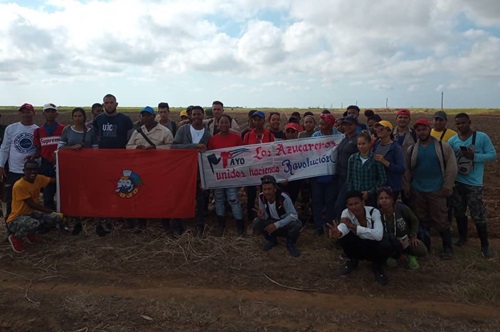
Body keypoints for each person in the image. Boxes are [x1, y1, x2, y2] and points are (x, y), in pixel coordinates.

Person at [403, 118, 457, 259]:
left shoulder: (442, 147)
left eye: (424, 129)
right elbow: (407, 169)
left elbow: (451, 168)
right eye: (418, 130)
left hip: (437, 190)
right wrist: (407, 185)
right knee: (421, 219)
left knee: (441, 220)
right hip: (418, 190)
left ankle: (447, 248)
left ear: (429, 129)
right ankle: (425, 246)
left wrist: (447, 186)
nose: (421, 132)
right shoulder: (412, 149)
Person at [448, 113, 496, 258]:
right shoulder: (453, 140)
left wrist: (474, 157)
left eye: (463, 123)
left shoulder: (482, 137)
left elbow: (492, 155)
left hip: (474, 184)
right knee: (459, 212)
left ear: (469, 122)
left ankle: (485, 245)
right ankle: (463, 238)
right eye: (458, 124)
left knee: (478, 215)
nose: (461, 126)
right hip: (457, 182)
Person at [126, 106, 174, 234]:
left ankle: (165, 223)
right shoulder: (137, 132)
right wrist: (137, 147)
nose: (145, 118)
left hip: (159, 170)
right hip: (140, 169)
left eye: (148, 115)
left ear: (154, 116)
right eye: (143, 115)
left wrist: (155, 149)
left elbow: (171, 147)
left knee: (162, 195)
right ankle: (142, 224)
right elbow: (128, 146)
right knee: (141, 195)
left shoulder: (164, 132)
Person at [327, 190, 390, 285]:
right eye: (350, 205)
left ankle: (378, 266)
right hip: (359, 244)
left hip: (373, 245)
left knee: (385, 244)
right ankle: (352, 260)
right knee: (343, 238)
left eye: (356, 203)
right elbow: (343, 227)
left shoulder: (374, 212)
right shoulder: (346, 212)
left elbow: (378, 235)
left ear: (363, 202)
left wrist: (353, 226)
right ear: (347, 206)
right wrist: (338, 233)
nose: (354, 207)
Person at [92, 94, 134, 236]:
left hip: (121, 160)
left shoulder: (125, 120)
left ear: (116, 104)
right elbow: (95, 137)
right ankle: (105, 217)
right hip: (103, 161)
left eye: (111, 102)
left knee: (122, 187)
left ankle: (124, 215)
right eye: (106, 103)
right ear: (103, 105)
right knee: (104, 188)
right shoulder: (99, 119)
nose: (109, 105)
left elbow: (130, 139)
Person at [6, 160, 64, 253]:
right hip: (16, 219)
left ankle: (30, 233)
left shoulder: (39, 179)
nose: (32, 172)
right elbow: (32, 204)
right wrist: (50, 211)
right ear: (24, 170)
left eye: (35, 169)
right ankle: (15, 237)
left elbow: (53, 180)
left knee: (55, 218)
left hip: (30, 215)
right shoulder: (19, 185)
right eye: (29, 169)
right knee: (34, 223)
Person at [172, 106, 211, 236]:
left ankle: (200, 225)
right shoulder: (183, 130)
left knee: (200, 200)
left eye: (199, 114)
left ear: (203, 116)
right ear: (190, 116)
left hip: (199, 173)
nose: (196, 117)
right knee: (180, 198)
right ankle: (177, 225)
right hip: (183, 172)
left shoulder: (207, 134)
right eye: (194, 114)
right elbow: (175, 146)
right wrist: (194, 147)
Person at [207, 114, 245, 236]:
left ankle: (240, 226)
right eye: (221, 122)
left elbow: (242, 157)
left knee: (233, 199)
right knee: (218, 199)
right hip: (218, 176)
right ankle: (221, 224)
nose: (224, 125)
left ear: (230, 124)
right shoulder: (213, 139)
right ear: (217, 124)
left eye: (226, 122)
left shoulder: (237, 138)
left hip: (232, 175)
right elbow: (209, 157)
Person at [0, 103, 39, 221]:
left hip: (30, 172)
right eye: (23, 112)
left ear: (33, 113)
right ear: (20, 114)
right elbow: (4, 148)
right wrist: (1, 165)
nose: (26, 114)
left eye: (28, 112)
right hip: (14, 170)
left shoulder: (37, 130)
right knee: (11, 199)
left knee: (30, 201)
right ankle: (10, 225)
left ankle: (27, 225)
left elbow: (39, 149)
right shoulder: (11, 128)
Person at [377, 187, 427, 269]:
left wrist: (413, 235)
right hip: (390, 242)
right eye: (381, 198)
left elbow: (414, 221)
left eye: (387, 198)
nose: (384, 200)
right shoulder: (377, 214)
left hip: (406, 239)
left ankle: (409, 254)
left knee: (422, 250)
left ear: (392, 199)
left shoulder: (401, 208)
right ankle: (394, 256)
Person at [253, 175, 302, 257]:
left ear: (275, 189)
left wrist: (277, 225)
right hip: (271, 222)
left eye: (269, 189)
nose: (266, 192)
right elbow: (264, 216)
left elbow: (294, 215)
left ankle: (290, 244)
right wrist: (261, 215)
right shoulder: (261, 197)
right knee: (257, 222)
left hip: (283, 223)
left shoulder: (283, 197)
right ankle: (272, 240)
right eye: (264, 189)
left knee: (297, 224)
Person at [32, 103, 65, 210]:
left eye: (52, 111)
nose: (50, 114)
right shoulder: (38, 131)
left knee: (63, 193)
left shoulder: (64, 129)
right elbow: (39, 149)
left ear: (57, 114)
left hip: (61, 164)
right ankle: (50, 219)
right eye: (47, 111)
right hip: (46, 165)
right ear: (43, 114)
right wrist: (32, 157)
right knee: (47, 195)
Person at [243, 111, 275, 222]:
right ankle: (251, 220)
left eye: (259, 119)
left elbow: (274, 152)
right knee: (251, 196)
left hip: (265, 170)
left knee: (266, 195)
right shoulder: (247, 135)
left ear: (264, 120)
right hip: (252, 171)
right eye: (255, 119)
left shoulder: (270, 135)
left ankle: (267, 218)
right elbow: (244, 153)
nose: (257, 122)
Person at [310, 114, 339, 235]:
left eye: (323, 124)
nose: (320, 126)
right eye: (320, 124)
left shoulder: (338, 136)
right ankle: (318, 226)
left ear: (330, 125)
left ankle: (329, 225)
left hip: (332, 175)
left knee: (330, 201)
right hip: (317, 174)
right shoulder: (315, 136)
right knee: (317, 200)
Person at [346, 131, 387, 207]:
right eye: (359, 144)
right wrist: (352, 194)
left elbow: (382, 179)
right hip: (357, 196)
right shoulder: (352, 158)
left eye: (363, 144)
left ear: (369, 144)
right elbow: (349, 178)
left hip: (372, 196)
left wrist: (370, 192)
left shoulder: (376, 159)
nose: (361, 146)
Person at [333, 117, 359, 221]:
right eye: (345, 125)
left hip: (350, 176)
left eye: (350, 125)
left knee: (340, 204)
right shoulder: (344, 138)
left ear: (355, 126)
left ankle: (342, 226)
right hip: (340, 175)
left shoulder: (357, 139)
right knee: (343, 203)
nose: (347, 127)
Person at [373, 120, 405, 199]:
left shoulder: (396, 148)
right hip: (378, 185)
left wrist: (385, 162)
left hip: (391, 186)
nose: (378, 130)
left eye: (381, 128)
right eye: (377, 128)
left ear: (389, 131)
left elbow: (401, 169)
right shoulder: (377, 143)